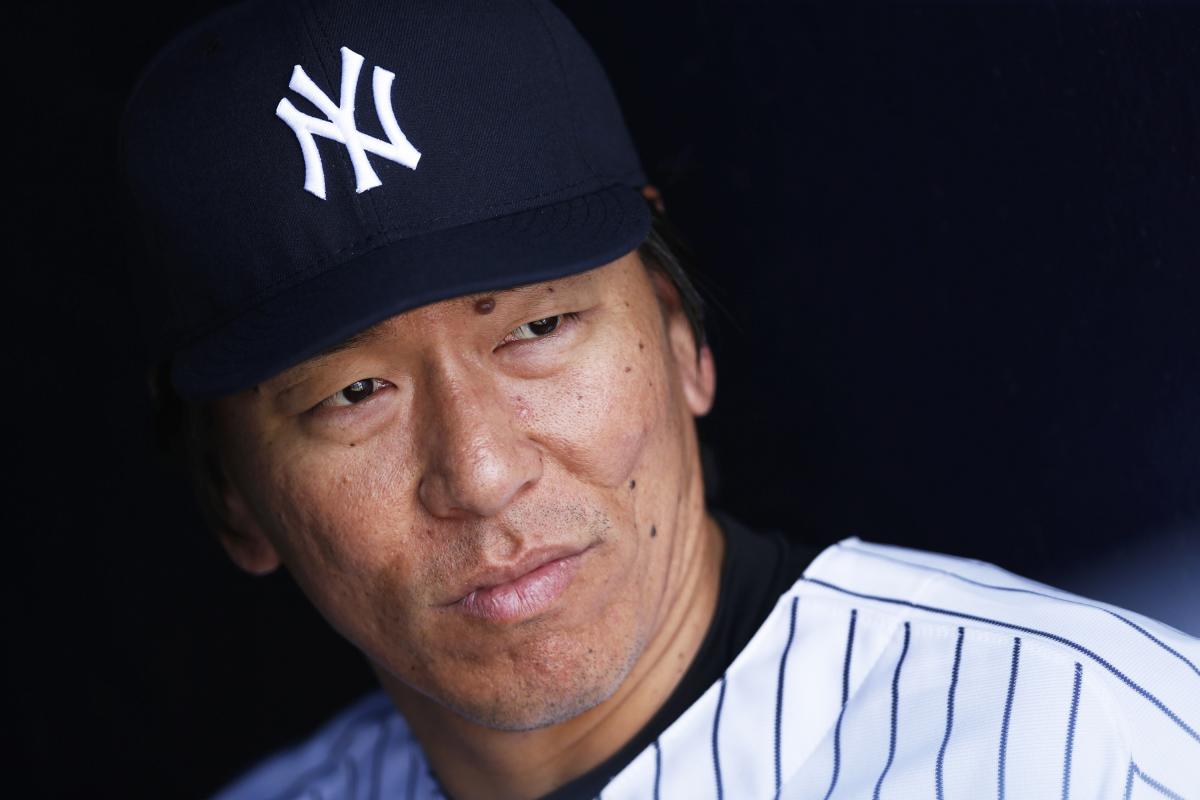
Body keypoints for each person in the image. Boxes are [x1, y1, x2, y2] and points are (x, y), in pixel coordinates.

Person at [119, 1, 1200, 798]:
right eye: (355, 392)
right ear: (235, 500)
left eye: (538, 329)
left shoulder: (1095, 741)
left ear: (681, 336)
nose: (482, 471)